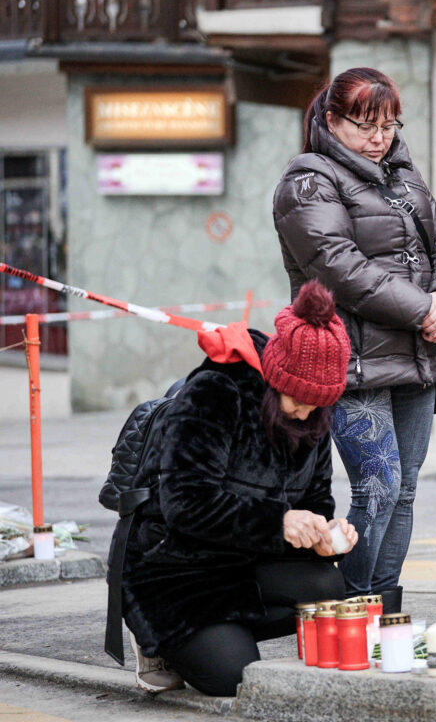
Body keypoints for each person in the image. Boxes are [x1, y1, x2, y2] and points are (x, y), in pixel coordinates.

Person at [273, 68, 436, 600]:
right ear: (331, 120)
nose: (379, 138)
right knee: (378, 489)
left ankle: (383, 604)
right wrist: (422, 310)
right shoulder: (309, 180)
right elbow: (339, 267)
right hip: (354, 362)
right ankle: (349, 603)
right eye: (365, 126)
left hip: (418, 356)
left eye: (388, 125)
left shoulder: (404, 174)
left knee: (404, 492)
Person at [122, 280, 357, 697]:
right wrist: (278, 521)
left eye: (319, 404)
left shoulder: (313, 417)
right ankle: (161, 641)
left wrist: (321, 536)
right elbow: (184, 502)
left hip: (246, 560)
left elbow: (316, 498)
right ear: (275, 378)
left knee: (328, 587)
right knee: (234, 678)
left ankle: (225, 632)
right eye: (297, 400)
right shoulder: (215, 390)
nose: (306, 412)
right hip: (178, 567)